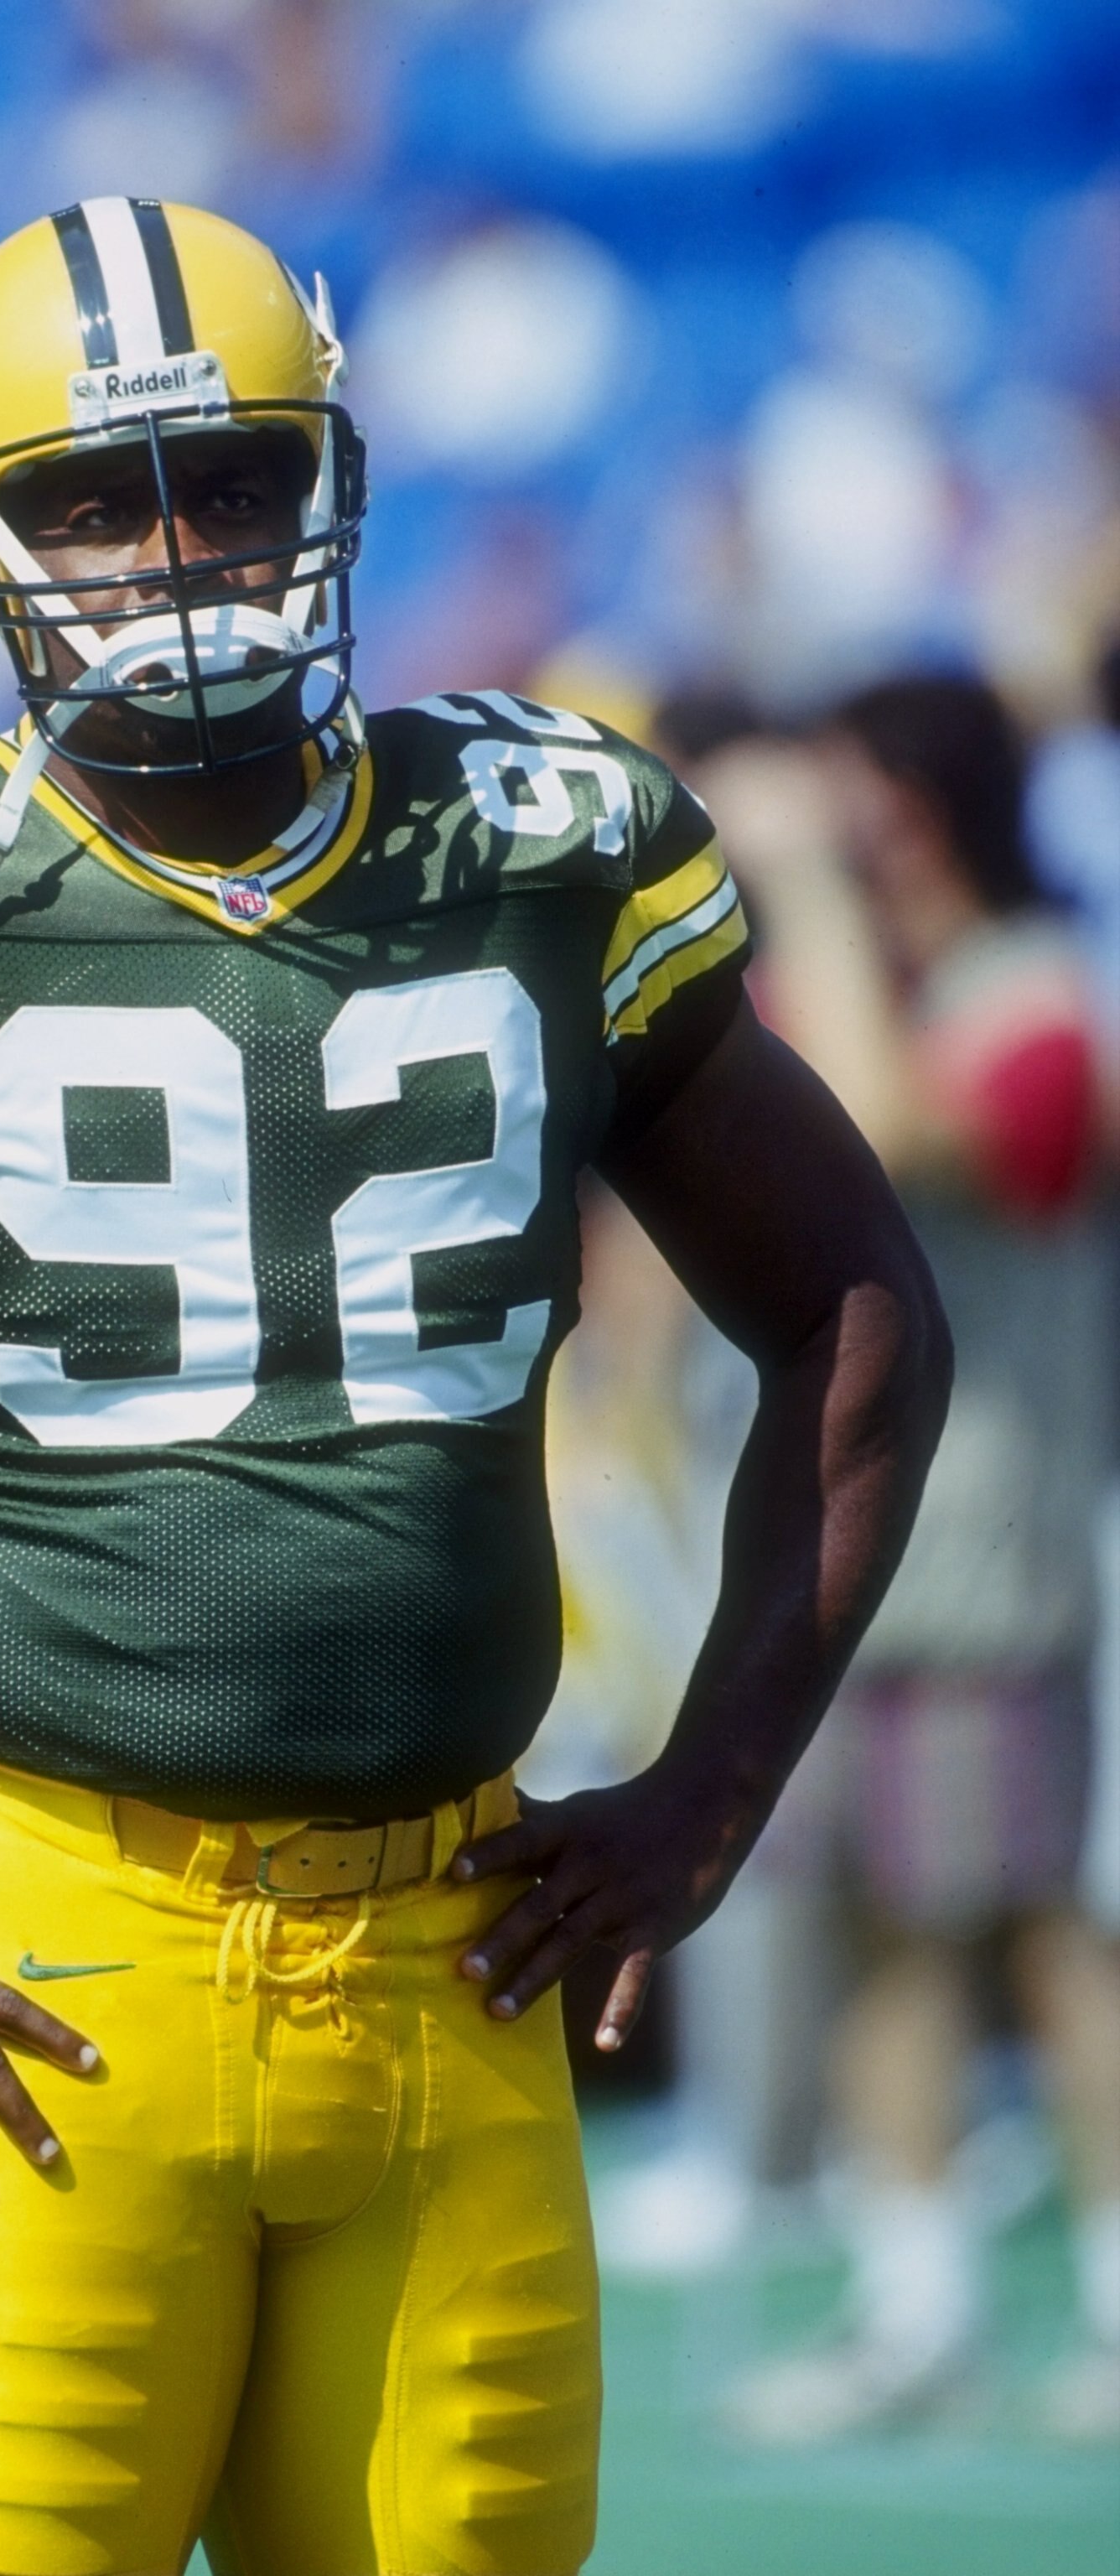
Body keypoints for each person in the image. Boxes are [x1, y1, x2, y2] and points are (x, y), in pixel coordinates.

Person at [0, 200, 950, 2576]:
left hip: (453, 1935)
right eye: (89, 499)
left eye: (232, 477)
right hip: (34, 1955)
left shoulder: (536, 847)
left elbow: (857, 1299)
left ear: (334, 479)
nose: (172, 546)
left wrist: (718, 1787)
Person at [707, 677, 1120, 2444]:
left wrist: (796, 889)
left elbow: (878, 1129)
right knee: (875, 1934)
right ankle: (919, 2306)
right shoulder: (859, 988)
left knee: (1037, 1935)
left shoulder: (1041, 1004)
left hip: (991, 1557)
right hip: (850, 1562)